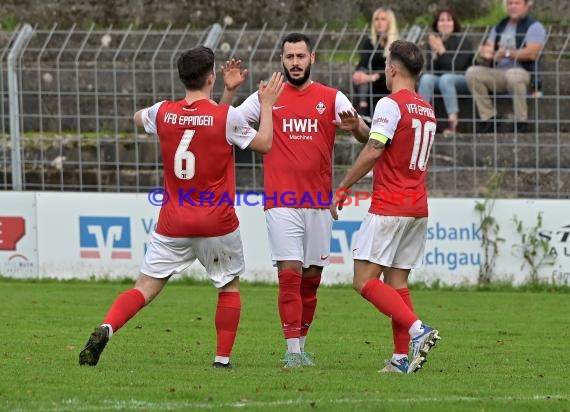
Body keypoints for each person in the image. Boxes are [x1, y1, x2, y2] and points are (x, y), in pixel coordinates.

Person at [78, 46, 284, 369]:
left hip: (173, 222)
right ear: (212, 76)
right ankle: (221, 360)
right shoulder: (224, 117)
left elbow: (140, 119)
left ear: (181, 77)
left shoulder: (163, 112)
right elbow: (264, 143)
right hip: (216, 221)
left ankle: (107, 327)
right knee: (228, 285)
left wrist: (227, 94)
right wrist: (267, 106)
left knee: (144, 287)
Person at [221, 32, 370, 368]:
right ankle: (292, 351)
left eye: (301, 57)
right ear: (282, 60)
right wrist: (231, 96)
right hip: (281, 200)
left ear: (312, 58)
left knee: (312, 277)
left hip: (319, 202)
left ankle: (301, 346)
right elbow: (226, 122)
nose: (295, 63)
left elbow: (364, 134)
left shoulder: (331, 97)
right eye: (289, 57)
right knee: (289, 273)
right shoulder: (267, 97)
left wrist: (356, 125)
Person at [330, 40, 441, 374]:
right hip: (417, 206)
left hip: (390, 205)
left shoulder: (390, 104)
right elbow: (383, 142)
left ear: (392, 68)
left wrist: (344, 185)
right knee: (397, 284)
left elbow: (376, 151)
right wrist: (360, 129)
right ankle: (399, 359)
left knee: (363, 281)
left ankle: (419, 330)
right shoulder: (425, 108)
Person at [465, 0, 546, 133]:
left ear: (526, 6)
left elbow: (532, 53)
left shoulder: (534, 26)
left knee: (513, 75)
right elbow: (489, 46)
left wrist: (507, 53)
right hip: (499, 73)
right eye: (510, 3)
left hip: (524, 73)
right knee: (472, 73)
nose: (513, 6)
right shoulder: (500, 26)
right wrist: (485, 52)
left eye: (517, 3)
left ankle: (521, 122)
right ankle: (489, 118)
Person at [417, 8, 474, 137]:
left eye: (449, 20)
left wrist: (441, 50)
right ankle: (419, 119)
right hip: (442, 79)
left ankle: (453, 123)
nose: (445, 23)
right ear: (436, 24)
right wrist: (434, 55)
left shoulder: (463, 41)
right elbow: (432, 70)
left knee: (446, 79)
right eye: (442, 20)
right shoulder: (434, 42)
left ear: (454, 23)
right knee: (426, 78)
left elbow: (457, 68)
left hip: (463, 79)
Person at [352, 7, 399, 123]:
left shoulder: (397, 44)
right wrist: (358, 73)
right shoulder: (370, 41)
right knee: (361, 71)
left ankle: (363, 109)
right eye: (376, 19)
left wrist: (372, 77)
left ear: (390, 22)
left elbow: (394, 68)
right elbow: (363, 62)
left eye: (383, 19)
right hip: (370, 81)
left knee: (368, 78)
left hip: (387, 81)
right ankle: (363, 108)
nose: (379, 22)